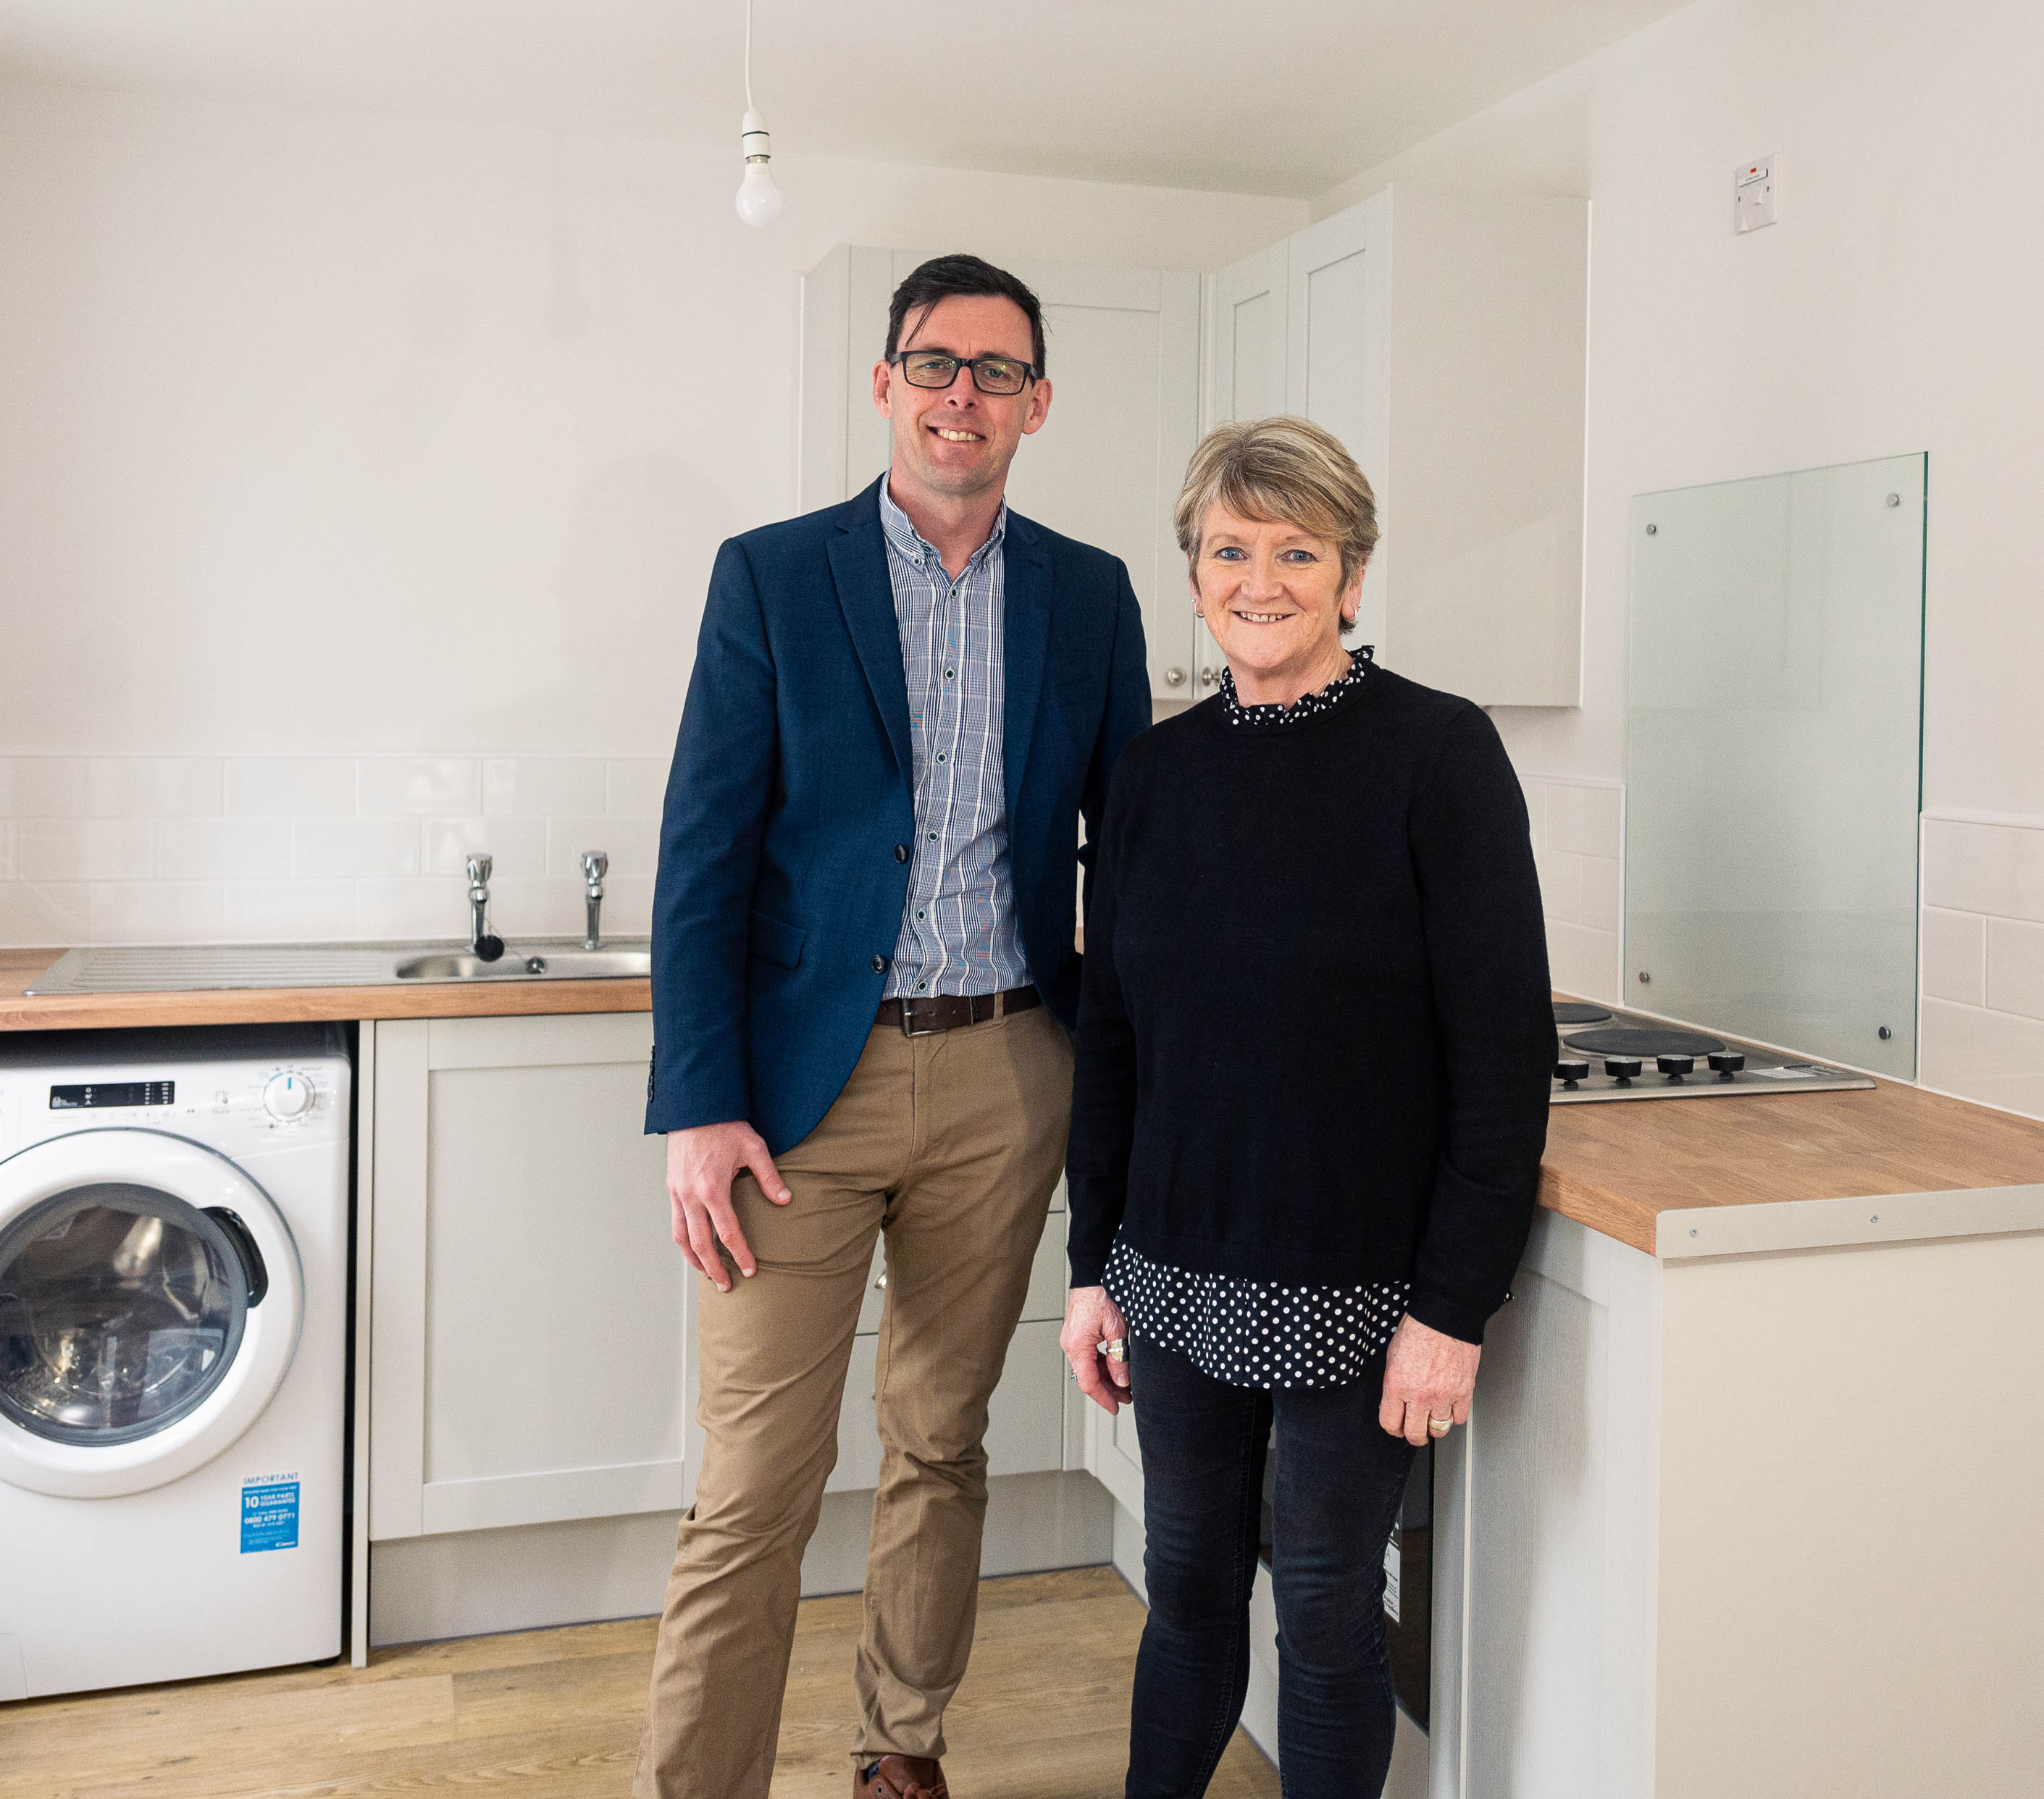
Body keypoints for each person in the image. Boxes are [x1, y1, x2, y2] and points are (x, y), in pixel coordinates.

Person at [638, 253, 1151, 1799]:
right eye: (935, 364)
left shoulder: (1094, 591)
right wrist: (697, 1102)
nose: (962, 396)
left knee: (940, 1441)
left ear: (1038, 404)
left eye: (997, 372)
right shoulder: (772, 576)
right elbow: (704, 847)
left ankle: (901, 1749)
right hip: (798, 1097)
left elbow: (1130, 857)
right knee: (753, 1491)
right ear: (885, 385)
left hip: (1009, 1074)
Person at [1060, 416, 1551, 1799]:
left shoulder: (1438, 756)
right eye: (1230, 548)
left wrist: (1452, 1310)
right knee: (1189, 1597)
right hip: (1174, 1277)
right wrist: (1093, 1267)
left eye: (1297, 549)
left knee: (1330, 1617)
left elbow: (1504, 1057)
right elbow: (1114, 1048)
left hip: (1361, 1285)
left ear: (1353, 572)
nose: (1258, 578)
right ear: (1195, 571)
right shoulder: (1152, 775)